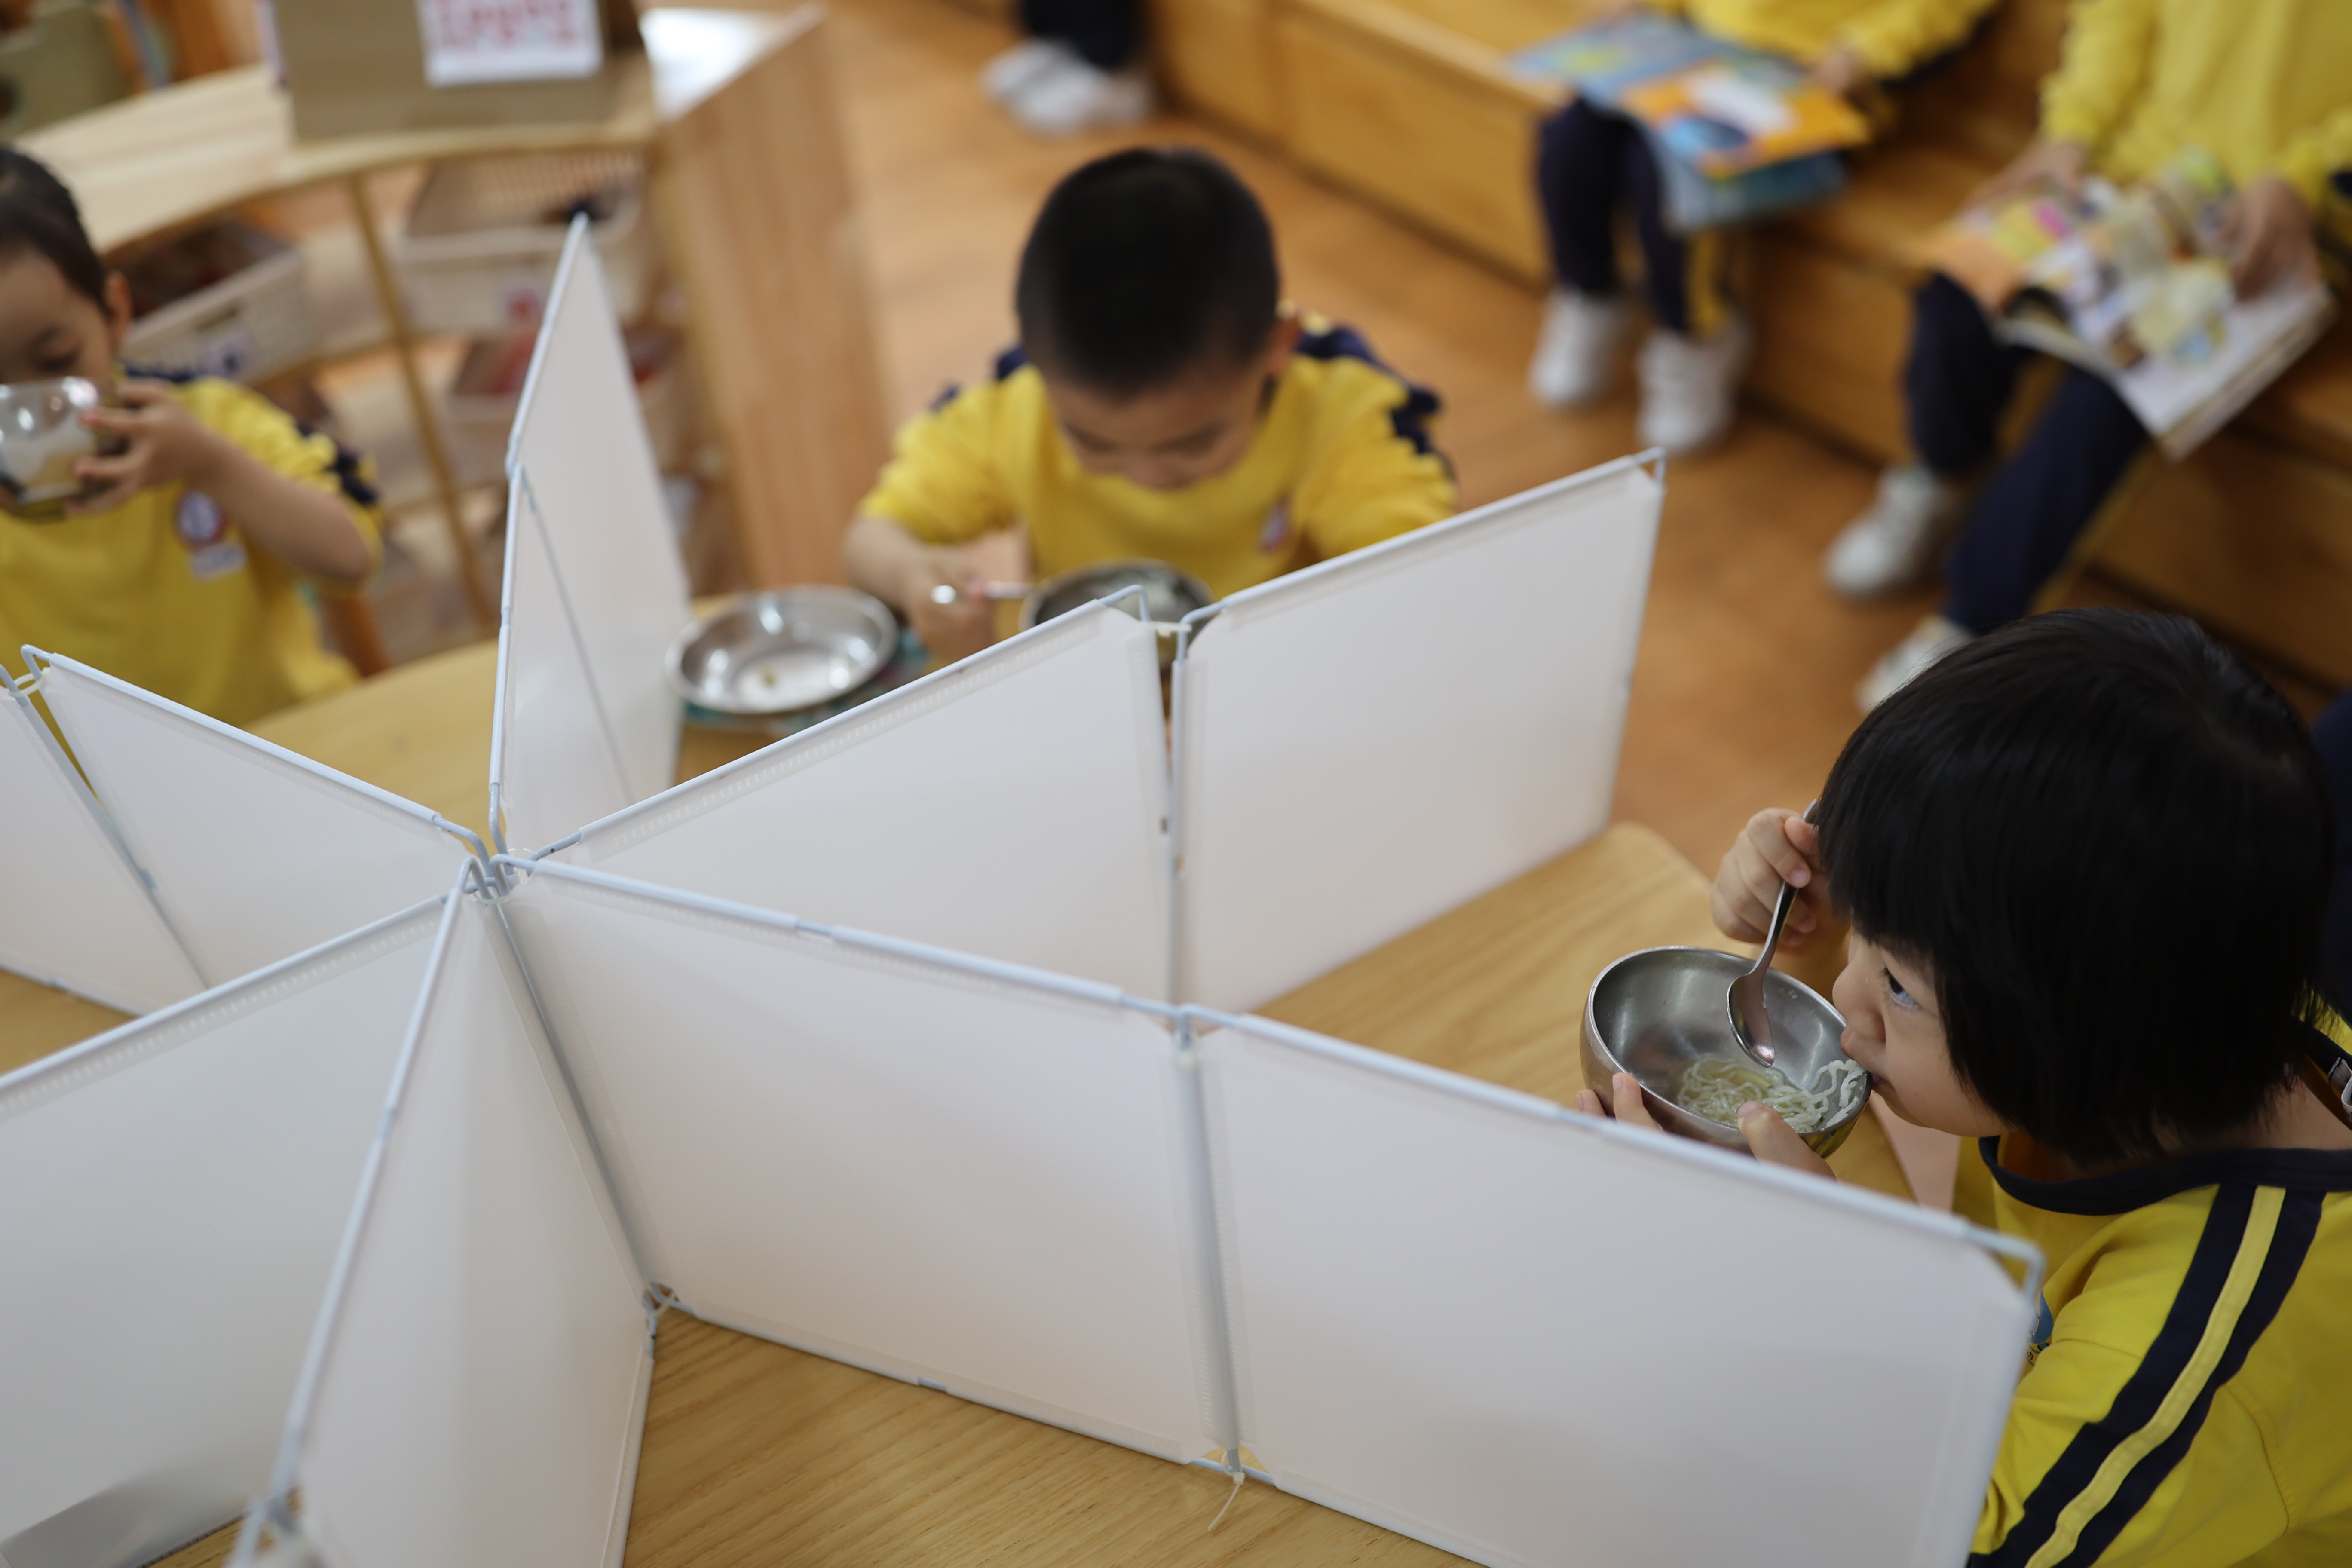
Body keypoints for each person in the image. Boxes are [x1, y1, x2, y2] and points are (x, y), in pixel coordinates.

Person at [1581, 609, 2352, 1565]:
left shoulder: (2208, 1338)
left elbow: (1960, 1545)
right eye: (1864, 929)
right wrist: (1814, 924)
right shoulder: (2166, 1017)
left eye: (1898, 985)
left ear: (2074, 1045)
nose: (1847, 996)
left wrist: (1822, 1285)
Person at [1825, 0, 2352, 710]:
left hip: (2284, 228)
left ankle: (1971, 622)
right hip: (2126, 170)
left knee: (2107, 395)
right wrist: (2070, 133)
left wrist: (2306, 176)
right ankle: (1942, 475)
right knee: (1956, 292)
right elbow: (2117, 17)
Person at [845, 147, 1458, 662]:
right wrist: (913, 576)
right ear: (1040, 365)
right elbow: (872, 536)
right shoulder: (1015, 407)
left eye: (1194, 443)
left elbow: (1424, 581)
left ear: (1278, 348)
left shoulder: (1342, 415)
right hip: (1092, 695)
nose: (1148, 476)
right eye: (1095, 443)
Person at [0, 148, 379, 727]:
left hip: (288, 750)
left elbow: (349, 558)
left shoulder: (205, 419)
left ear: (115, 312)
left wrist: (211, 465)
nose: (33, 408)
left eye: (57, 360)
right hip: (103, 785)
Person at [1528, 0, 1997, 454]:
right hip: (1695, 46)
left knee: (1666, 174)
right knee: (1570, 137)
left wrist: (1865, 53)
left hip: (1818, 77)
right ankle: (1589, 294)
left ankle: (1696, 331)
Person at [980, 0, 1152, 138]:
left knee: (1040, 113)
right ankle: (1060, 41)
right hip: (1062, 34)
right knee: (999, 85)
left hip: (1109, 58)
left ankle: (1112, 74)